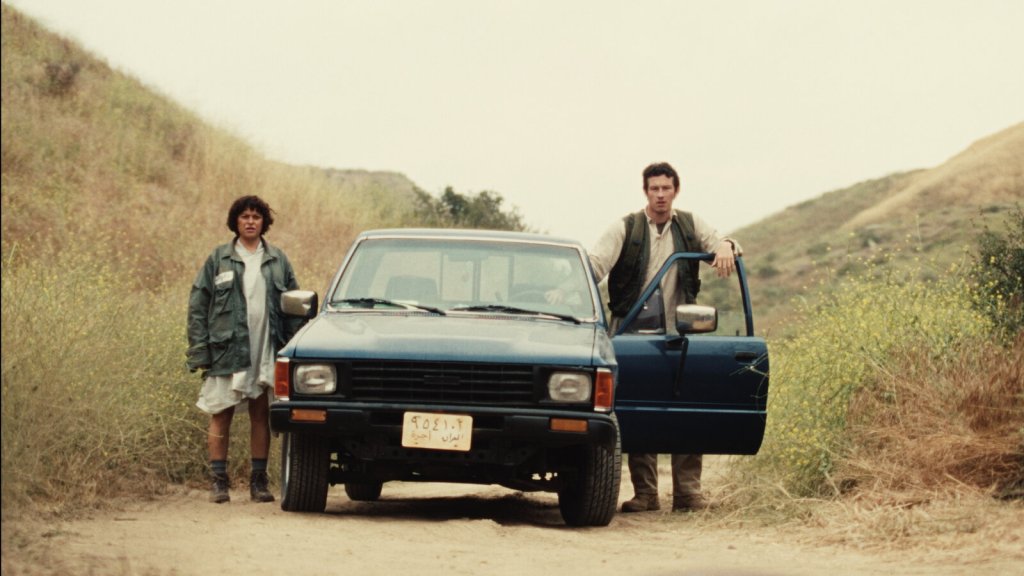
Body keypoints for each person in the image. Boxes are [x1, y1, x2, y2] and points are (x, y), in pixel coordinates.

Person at [588, 162, 742, 513]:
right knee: (638, 412)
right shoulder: (626, 227)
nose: (660, 195)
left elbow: (721, 242)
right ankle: (645, 494)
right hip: (632, 336)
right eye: (654, 188)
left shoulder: (689, 224)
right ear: (645, 191)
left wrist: (726, 245)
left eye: (666, 189)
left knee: (687, 411)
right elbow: (595, 266)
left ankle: (688, 494)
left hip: (680, 335)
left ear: (676, 191)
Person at [186, 195, 301, 504]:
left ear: (264, 222)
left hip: (266, 347)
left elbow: (293, 308)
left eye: (256, 216)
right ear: (235, 222)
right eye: (244, 216)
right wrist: (200, 349)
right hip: (227, 349)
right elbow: (198, 305)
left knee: (260, 413)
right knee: (220, 412)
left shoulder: (278, 260)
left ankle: (258, 482)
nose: (250, 221)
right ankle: (218, 482)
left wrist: (291, 351)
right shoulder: (219, 258)